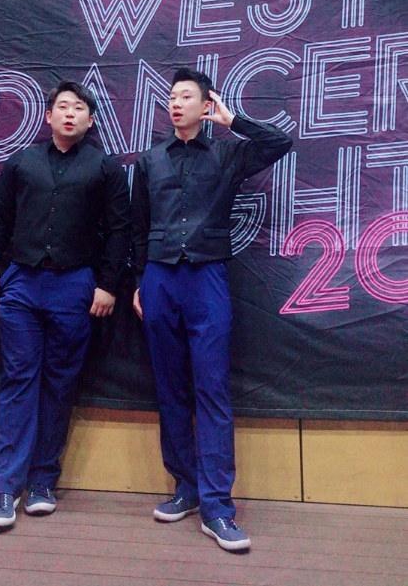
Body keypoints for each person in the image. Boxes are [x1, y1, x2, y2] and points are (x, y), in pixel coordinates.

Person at [131, 67, 292, 551]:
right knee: (170, 387)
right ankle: (187, 488)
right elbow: (138, 225)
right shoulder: (150, 160)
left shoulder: (227, 151)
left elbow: (279, 143)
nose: (175, 103)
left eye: (186, 97)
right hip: (159, 277)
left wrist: (231, 120)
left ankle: (218, 507)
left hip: (207, 278)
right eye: (171, 97)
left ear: (205, 105)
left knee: (213, 388)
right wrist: (138, 281)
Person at [0, 81, 130, 531]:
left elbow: (119, 231)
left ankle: (43, 480)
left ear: (90, 120)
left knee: (61, 383)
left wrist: (108, 285)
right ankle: (3, 489)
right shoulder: (21, 162)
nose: (69, 113)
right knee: (18, 379)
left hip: (76, 284)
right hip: (22, 282)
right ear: (48, 116)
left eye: (78, 108)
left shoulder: (104, 168)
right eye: (62, 106)